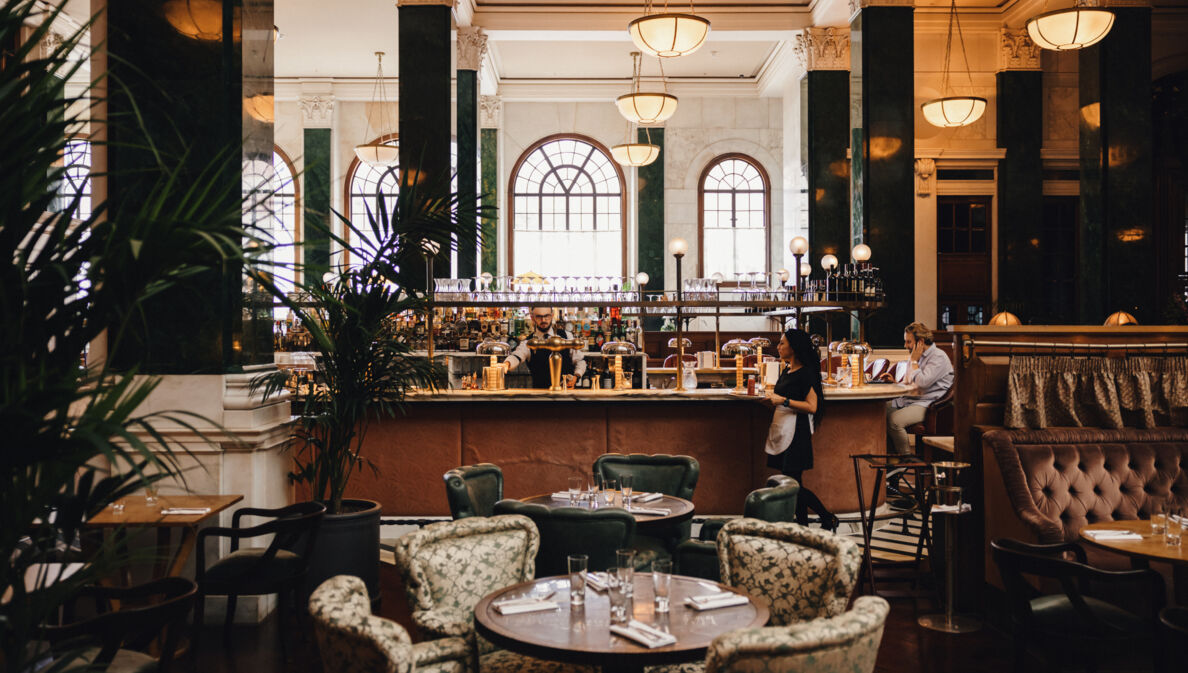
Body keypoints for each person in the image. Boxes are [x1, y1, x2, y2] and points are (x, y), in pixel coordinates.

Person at [763, 328, 838, 531]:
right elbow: (782, 399)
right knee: (793, 483)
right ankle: (803, 527)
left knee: (792, 485)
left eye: (782, 343)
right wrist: (772, 400)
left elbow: (812, 406)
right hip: (783, 428)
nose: (778, 347)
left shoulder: (806, 373)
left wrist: (783, 400)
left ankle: (827, 516)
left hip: (797, 432)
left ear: (793, 348)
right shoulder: (786, 370)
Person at [884, 322, 954, 455]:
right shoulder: (917, 356)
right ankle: (891, 459)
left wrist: (914, 361)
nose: (905, 346)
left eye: (908, 342)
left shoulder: (938, 357)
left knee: (894, 421)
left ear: (920, 342)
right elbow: (907, 382)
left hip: (929, 404)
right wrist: (894, 382)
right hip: (913, 400)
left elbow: (922, 382)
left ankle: (905, 460)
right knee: (880, 411)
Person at [502, 307, 587, 389]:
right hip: (540, 395)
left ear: (552, 315)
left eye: (546, 316)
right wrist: (507, 364)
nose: (543, 320)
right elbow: (517, 356)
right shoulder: (529, 342)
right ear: (532, 317)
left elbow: (580, 360)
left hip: (566, 393)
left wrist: (576, 377)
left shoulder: (566, 336)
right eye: (539, 316)